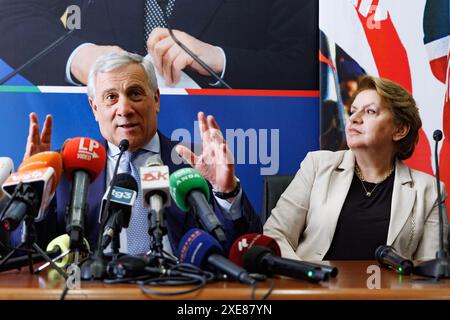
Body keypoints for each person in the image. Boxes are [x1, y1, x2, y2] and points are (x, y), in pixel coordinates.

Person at [9, 51, 262, 255]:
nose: (124, 108)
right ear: (95, 108)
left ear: (156, 99)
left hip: (178, 289)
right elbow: (24, 254)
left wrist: (226, 193)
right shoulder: (68, 169)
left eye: (135, 94)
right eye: (111, 97)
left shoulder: (192, 164)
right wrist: (34, 196)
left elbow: (242, 250)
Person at [264, 75, 448, 261]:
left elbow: (430, 269)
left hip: (389, 290)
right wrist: (304, 274)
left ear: (400, 130)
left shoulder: (429, 191)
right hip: (316, 286)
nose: (354, 119)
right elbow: (275, 234)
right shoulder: (317, 165)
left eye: (370, 111)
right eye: (352, 111)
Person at [0, 0, 317, 90]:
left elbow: (305, 66)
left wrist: (218, 59)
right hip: (96, 152)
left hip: (232, 154)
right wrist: (81, 57)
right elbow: (9, 13)